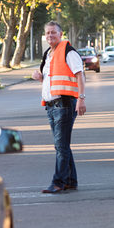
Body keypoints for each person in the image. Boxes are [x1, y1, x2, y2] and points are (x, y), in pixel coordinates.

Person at [31, 21, 87, 194]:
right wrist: (40, 77)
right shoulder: (48, 53)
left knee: (61, 146)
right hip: (51, 106)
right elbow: (54, 79)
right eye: (47, 33)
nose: (50, 36)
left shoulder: (68, 52)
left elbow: (80, 75)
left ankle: (58, 182)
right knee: (62, 145)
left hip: (64, 105)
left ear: (61, 34)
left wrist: (81, 99)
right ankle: (71, 180)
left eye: (53, 33)